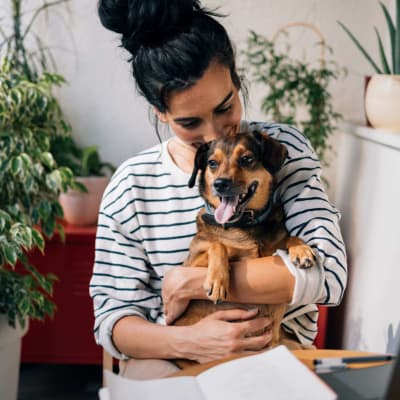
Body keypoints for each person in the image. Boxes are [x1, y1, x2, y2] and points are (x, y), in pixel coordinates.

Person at [90, 0, 347, 380]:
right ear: (159, 111)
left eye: (226, 107)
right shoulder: (131, 186)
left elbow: (329, 275)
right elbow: (113, 322)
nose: (215, 134)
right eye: (190, 121)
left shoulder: (280, 152)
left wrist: (188, 281)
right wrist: (190, 342)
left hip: (275, 352)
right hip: (175, 358)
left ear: (236, 79)